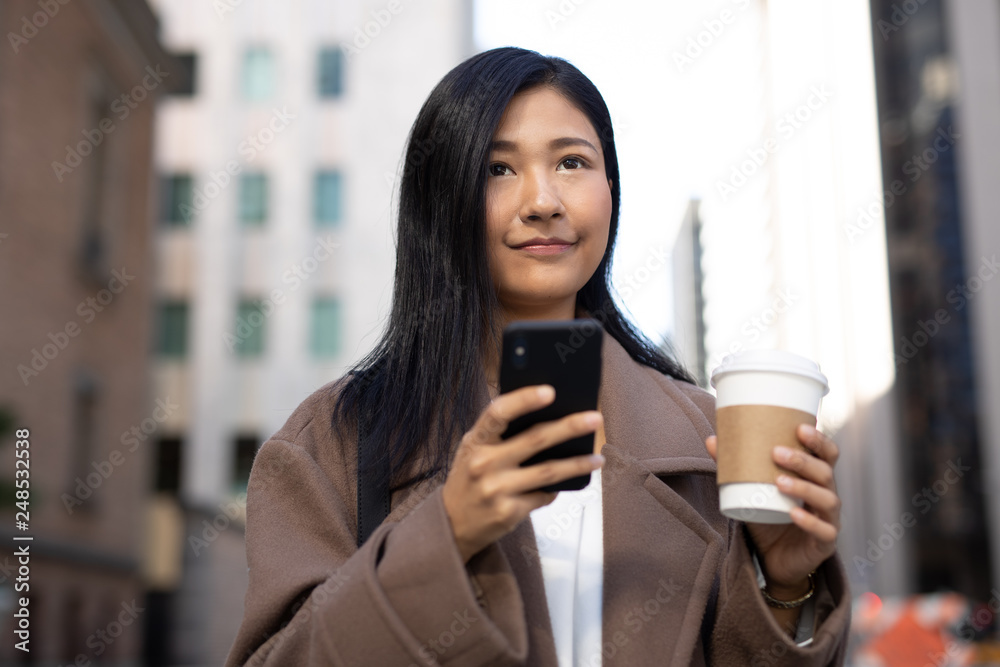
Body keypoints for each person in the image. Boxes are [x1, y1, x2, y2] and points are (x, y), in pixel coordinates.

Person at [225, 46, 850, 666]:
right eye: (498, 169)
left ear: (611, 190)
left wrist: (783, 585)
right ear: (441, 202)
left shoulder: (714, 446)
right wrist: (445, 535)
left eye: (573, 162)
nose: (543, 201)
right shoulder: (331, 446)